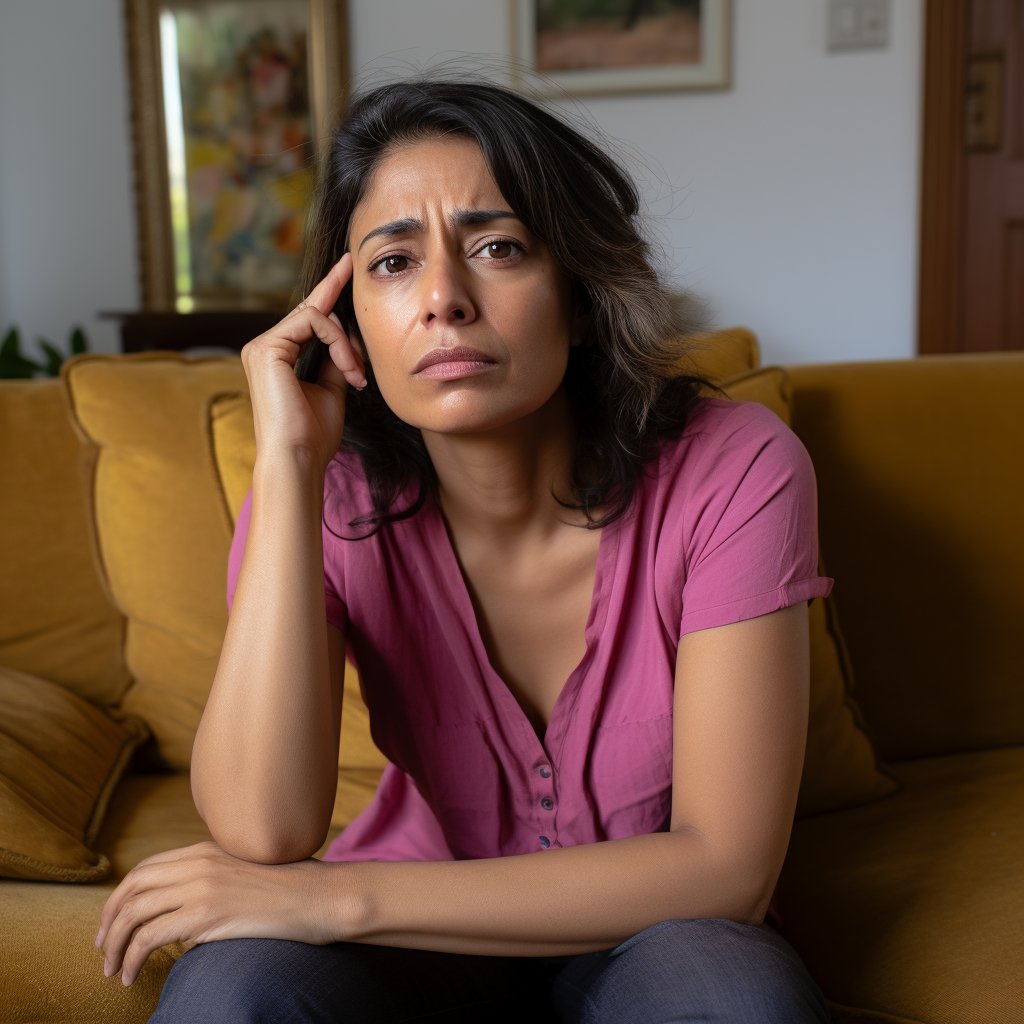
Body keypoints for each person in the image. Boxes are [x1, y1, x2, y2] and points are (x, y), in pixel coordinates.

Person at [95, 79, 835, 1023]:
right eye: (393, 262)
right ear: (348, 311)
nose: (443, 299)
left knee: (732, 1001)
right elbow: (260, 826)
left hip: (659, 932)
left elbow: (725, 868)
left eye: (497, 248)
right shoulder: (323, 496)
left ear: (578, 286)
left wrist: (334, 899)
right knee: (235, 989)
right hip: (410, 947)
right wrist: (285, 465)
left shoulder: (735, 469)